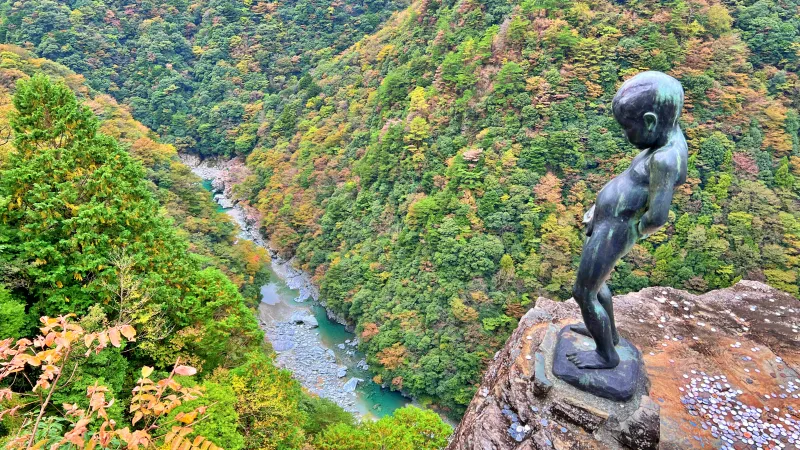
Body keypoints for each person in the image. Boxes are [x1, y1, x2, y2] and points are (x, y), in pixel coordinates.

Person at [567, 71, 688, 369]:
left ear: (650, 121)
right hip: (609, 223)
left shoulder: (665, 159)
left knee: (583, 292)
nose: (625, 135)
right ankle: (609, 335)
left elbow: (657, 216)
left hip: (616, 230)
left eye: (628, 128)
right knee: (597, 285)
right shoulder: (665, 136)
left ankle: (606, 356)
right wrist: (600, 210)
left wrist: (624, 231)